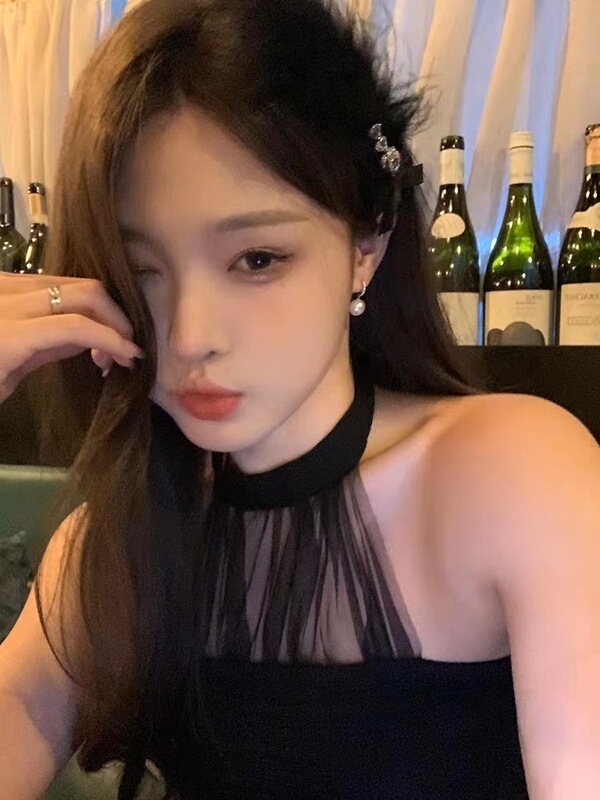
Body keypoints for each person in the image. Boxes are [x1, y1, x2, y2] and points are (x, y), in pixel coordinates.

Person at [0, 1, 599, 798]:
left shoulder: (514, 475)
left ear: (366, 246)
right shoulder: (116, 543)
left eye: (257, 259)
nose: (190, 337)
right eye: (141, 271)